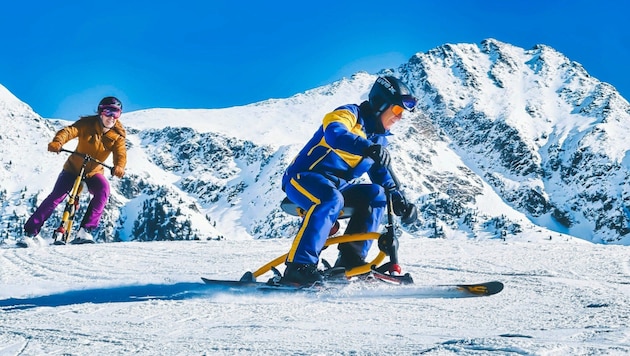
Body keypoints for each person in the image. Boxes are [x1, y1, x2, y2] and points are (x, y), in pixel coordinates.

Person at [281, 76, 418, 285]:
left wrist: (399, 200)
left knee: (376, 195)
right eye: (397, 111)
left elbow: (381, 175)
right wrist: (365, 147)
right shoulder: (349, 114)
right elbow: (335, 134)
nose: (399, 118)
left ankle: (350, 259)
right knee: (330, 199)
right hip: (303, 177)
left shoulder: (377, 138)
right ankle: (299, 267)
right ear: (381, 104)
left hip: (338, 187)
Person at [17, 97, 127, 247]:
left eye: (117, 113)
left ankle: (85, 231)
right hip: (72, 169)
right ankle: (30, 233)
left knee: (103, 190)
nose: (112, 117)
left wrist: (119, 166)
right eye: (108, 111)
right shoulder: (86, 124)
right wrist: (58, 142)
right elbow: (69, 131)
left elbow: (121, 154)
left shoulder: (118, 136)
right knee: (57, 196)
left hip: (93, 172)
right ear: (101, 112)